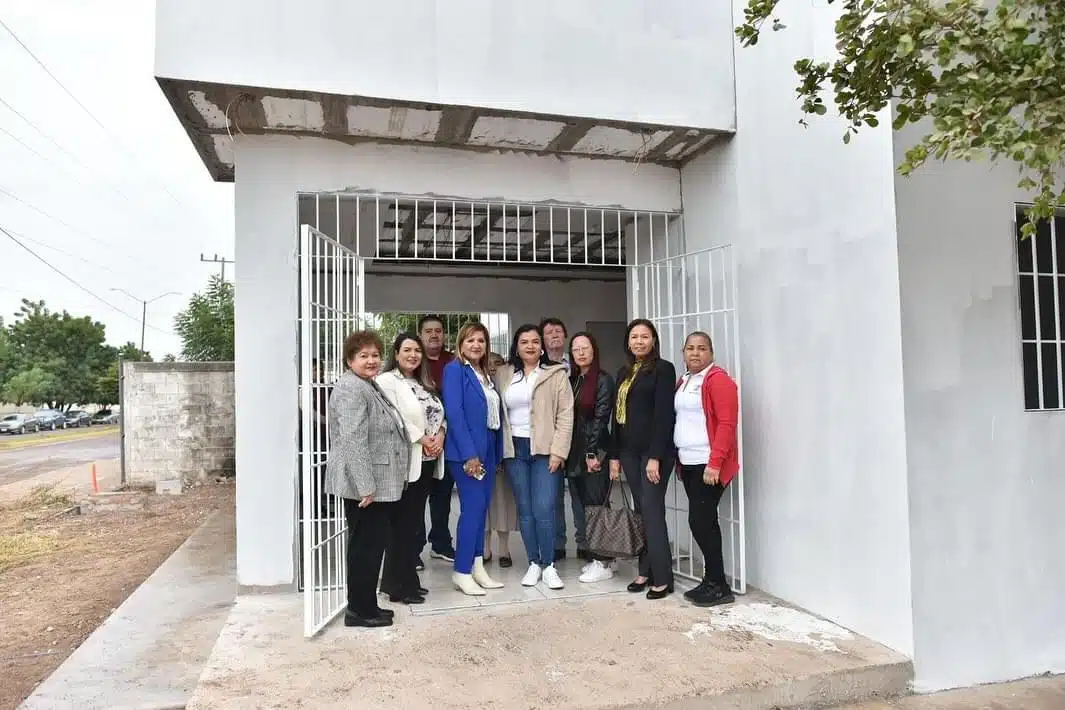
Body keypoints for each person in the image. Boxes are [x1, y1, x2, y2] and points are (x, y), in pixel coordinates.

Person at [324, 330, 410, 628]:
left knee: (371, 545)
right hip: (364, 486)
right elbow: (353, 440)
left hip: (373, 482)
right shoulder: (351, 388)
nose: (371, 360)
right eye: (364, 356)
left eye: (375, 355)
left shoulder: (366, 384)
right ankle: (359, 611)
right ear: (350, 360)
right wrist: (366, 486)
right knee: (365, 548)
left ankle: (366, 605)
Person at [496, 324, 574, 589]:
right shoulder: (504, 374)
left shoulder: (555, 374)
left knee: (544, 508)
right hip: (514, 450)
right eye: (523, 341)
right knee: (525, 510)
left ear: (541, 346)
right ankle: (533, 562)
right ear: (516, 346)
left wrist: (558, 451)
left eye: (534, 341)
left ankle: (549, 564)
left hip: (544, 450)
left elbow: (565, 415)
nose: (529, 346)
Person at [608, 319, 677, 600]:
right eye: (634, 336)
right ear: (628, 341)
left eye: (644, 336)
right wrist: (614, 455)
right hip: (628, 452)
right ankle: (645, 570)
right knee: (641, 512)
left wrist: (655, 457)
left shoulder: (663, 369)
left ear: (653, 340)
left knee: (652, 512)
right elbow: (617, 417)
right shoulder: (625, 371)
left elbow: (664, 415)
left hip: (652, 454)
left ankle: (663, 577)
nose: (639, 341)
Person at [376, 333, 446, 605]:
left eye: (417, 350)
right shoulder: (387, 381)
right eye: (407, 349)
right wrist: (421, 438)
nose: (413, 355)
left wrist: (440, 434)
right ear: (396, 352)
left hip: (427, 462)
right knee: (401, 526)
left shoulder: (424, 383)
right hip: (405, 462)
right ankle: (396, 586)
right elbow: (394, 417)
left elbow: (439, 413)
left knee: (412, 525)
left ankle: (408, 580)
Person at [675, 331, 739, 608]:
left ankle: (719, 585)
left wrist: (715, 462)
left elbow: (726, 424)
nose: (695, 353)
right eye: (690, 348)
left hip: (707, 463)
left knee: (700, 521)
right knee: (704, 521)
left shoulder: (718, 380)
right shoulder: (685, 380)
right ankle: (711, 580)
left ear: (711, 352)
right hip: (688, 461)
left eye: (702, 348)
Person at [442, 323, 505, 596]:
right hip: (467, 452)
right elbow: (454, 413)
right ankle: (461, 571)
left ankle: (477, 567)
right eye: (470, 340)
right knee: (472, 510)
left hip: (488, 448)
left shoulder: (484, 373)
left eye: (480, 340)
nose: (476, 345)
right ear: (461, 344)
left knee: (481, 510)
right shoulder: (455, 370)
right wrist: (470, 454)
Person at [566, 332, 617, 584]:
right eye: (576, 349)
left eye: (585, 348)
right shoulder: (574, 379)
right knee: (586, 507)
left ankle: (603, 561)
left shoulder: (603, 380)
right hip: (575, 453)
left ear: (594, 351)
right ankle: (599, 556)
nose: (581, 353)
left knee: (598, 507)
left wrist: (591, 452)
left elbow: (601, 418)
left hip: (593, 452)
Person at [539, 317, 587, 562]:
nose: (555, 335)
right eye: (549, 332)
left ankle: (584, 542)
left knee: (579, 494)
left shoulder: (576, 363)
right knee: (554, 494)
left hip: (578, 439)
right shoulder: (539, 366)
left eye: (559, 330)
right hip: (551, 439)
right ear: (543, 339)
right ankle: (558, 543)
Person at [419, 315, 457, 565]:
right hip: (419, 441)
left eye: (439, 331)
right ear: (420, 334)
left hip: (448, 438)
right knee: (416, 497)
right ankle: (413, 550)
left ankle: (441, 543)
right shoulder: (414, 360)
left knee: (442, 495)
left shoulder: (453, 362)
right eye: (429, 331)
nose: (434, 335)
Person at [484, 352, 518, 567]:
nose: (493, 367)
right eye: (489, 364)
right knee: (484, 504)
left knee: (504, 503)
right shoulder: (479, 387)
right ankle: (485, 549)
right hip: (482, 453)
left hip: (505, 451)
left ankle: (504, 550)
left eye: (498, 363)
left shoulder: (509, 389)